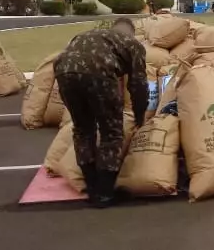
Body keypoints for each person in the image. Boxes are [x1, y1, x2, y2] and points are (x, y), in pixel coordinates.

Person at [53, 18, 148, 207]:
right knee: (111, 132)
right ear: (131, 32)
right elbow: (138, 84)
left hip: (63, 70)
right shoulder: (132, 43)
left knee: (82, 129)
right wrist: (139, 114)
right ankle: (105, 193)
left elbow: (67, 54)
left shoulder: (87, 35)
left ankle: (92, 187)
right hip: (99, 71)